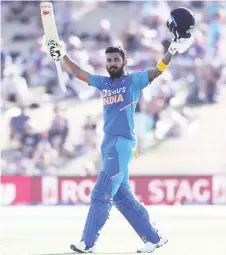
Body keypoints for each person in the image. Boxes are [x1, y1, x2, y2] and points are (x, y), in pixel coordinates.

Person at [44, 7, 195, 253]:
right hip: (108, 143)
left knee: (101, 192)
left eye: (116, 60)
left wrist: (171, 51)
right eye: (109, 60)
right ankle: (153, 238)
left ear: (124, 62)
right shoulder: (104, 83)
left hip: (122, 143)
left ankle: (87, 242)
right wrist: (61, 56)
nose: (112, 63)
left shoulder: (133, 81)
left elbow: (157, 70)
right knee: (121, 197)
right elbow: (80, 73)